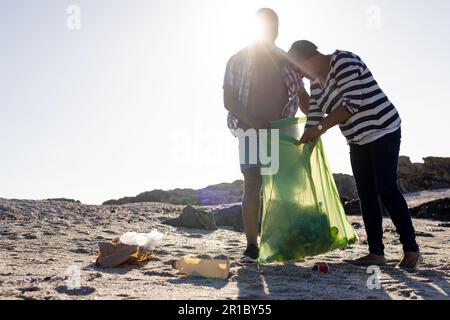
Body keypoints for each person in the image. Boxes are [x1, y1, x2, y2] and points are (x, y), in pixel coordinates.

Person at [288, 40, 421, 271]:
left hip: (383, 128)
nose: (302, 77)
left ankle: (411, 250)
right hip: (357, 139)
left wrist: (318, 131)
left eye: (299, 70)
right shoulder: (316, 83)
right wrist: (304, 144)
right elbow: (316, 115)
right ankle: (376, 253)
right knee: (366, 194)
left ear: (308, 58)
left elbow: (351, 105)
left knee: (386, 188)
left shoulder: (343, 61)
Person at [223, 9, 308, 263]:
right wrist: (253, 121)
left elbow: (303, 98)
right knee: (252, 184)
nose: (271, 32)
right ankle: (251, 245)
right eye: (266, 27)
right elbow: (228, 100)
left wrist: (315, 120)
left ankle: (281, 242)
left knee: (283, 189)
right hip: (250, 131)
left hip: (282, 133)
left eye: (275, 27)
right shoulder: (238, 59)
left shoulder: (287, 61)